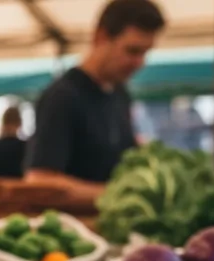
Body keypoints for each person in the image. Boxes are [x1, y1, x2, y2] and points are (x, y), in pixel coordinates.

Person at [26, 0, 165, 199]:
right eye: (132, 51)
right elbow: (40, 181)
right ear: (101, 37)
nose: (140, 63)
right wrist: (119, 196)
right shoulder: (63, 96)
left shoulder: (120, 94)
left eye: (145, 53)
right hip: (72, 227)